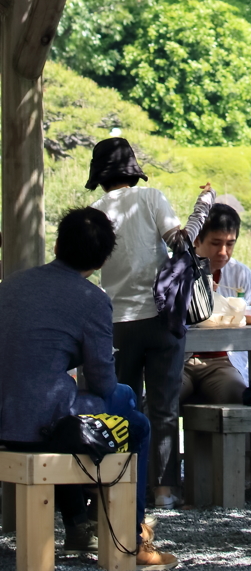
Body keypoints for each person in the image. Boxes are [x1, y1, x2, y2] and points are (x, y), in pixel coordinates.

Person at [0, 206, 177, 568]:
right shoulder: (91, 299)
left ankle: (80, 526)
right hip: (40, 427)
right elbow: (101, 379)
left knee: (108, 405)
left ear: (57, 245)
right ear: (102, 260)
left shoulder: (12, 284)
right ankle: (131, 534)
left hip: (5, 416)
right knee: (135, 422)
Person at [87, 137, 211, 509]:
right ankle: (164, 490)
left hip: (117, 323)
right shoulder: (152, 198)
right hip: (162, 318)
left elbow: (90, 265)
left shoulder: (94, 213)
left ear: (100, 174)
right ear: (132, 170)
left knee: (121, 406)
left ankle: (124, 484)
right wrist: (204, 203)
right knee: (163, 407)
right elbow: (182, 241)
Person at [180, 202, 251, 404]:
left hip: (223, 362)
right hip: (179, 360)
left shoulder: (240, 274)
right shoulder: (176, 272)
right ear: (197, 240)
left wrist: (249, 317)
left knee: (238, 396)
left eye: (230, 244)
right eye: (216, 243)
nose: (223, 252)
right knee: (161, 398)